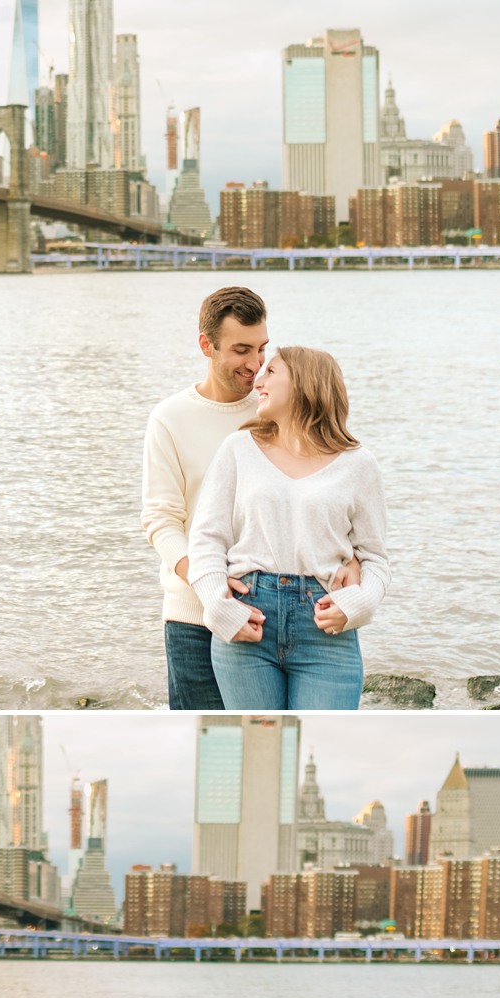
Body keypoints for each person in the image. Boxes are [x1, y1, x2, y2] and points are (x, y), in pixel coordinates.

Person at [142, 286, 359, 710]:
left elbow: (328, 488)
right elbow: (161, 520)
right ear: (206, 345)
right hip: (191, 614)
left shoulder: (277, 407)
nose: (256, 364)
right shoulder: (169, 419)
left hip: (274, 610)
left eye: (262, 349)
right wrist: (209, 583)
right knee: (208, 735)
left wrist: (349, 557)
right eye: (241, 350)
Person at [186, 344, 389, 710]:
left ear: (305, 383)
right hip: (248, 618)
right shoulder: (238, 449)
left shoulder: (359, 465)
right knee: (259, 747)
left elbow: (375, 559)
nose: (258, 381)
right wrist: (218, 606)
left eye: (271, 372)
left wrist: (358, 603)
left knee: (321, 743)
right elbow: (206, 539)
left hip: (326, 626)